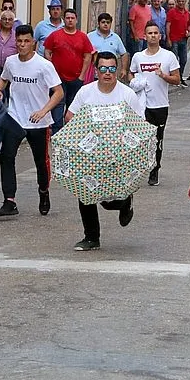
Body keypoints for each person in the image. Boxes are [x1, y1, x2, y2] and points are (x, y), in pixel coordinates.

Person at [66, 52, 144, 251]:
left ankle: (125, 201)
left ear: (117, 70)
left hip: (118, 155)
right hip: (90, 154)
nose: (107, 73)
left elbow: (139, 124)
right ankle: (91, 237)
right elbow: (69, 116)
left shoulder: (127, 94)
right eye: (103, 69)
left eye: (111, 69)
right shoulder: (86, 92)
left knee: (110, 201)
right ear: (96, 70)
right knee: (85, 193)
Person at [0, 24, 63, 217]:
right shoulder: (11, 62)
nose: (22, 45)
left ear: (34, 43)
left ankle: (44, 192)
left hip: (39, 122)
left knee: (40, 161)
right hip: (14, 118)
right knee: (6, 157)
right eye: (19, 41)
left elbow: (58, 92)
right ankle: (9, 201)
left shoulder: (44, 65)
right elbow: (3, 79)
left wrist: (43, 110)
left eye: (26, 41)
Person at [129, 24, 181, 186]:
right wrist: (133, 81)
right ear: (144, 36)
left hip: (160, 105)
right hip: (141, 106)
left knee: (157, 139)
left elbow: (177, 79)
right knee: (138, 139)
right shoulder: (138, 57)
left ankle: (154, 170)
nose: (152, 36)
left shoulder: (168, 56)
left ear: (160, 36)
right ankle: (138, 169)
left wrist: (163, 75)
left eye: (155, 33)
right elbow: (131, 73)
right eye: (149, 33)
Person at [44, 8, 95, 132]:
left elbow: (88, 56)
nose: (70, 20)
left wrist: (82, 76)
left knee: (73, 106)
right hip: (58, 79)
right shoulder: (55, 35)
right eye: (67, 18)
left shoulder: (82, 37)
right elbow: (47, 51)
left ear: (76, 20)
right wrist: (52, 71)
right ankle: (56, 133)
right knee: (58, 105)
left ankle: (71, 132)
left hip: (76, 78)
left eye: (72, 18)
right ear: (64, 20)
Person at [87, 13, 128, 81]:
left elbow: (124, 54)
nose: (105, 24)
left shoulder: (116, 37)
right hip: (94, 74)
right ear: (98, 23)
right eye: (103, 22)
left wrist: (124, 69)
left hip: (111, 73)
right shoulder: (90, 36)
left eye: (108, 22)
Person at [166, 0, 190, 79]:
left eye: (182, 1)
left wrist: (189, 32)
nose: (181, 3)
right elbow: (168, 25)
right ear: (177, 2)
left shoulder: (187, 13)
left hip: (183, 39)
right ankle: (174, 77)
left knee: (184, 60)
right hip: (174, 40)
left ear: (185, 2)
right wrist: (168, 39)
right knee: (174, 60)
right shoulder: (172, 12)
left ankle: (180, 77)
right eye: (179, 1)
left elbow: (189, 26)